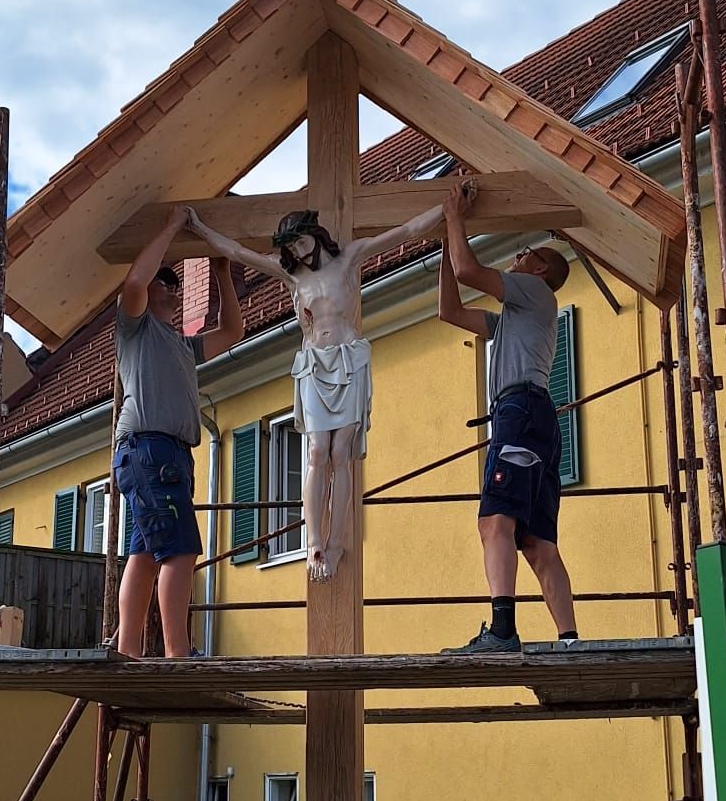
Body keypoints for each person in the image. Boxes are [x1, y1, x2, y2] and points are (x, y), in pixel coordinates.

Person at [185, 194, 447, 580]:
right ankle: (314, 541)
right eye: (291, 247)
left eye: (301, 242)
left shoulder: (349, 259)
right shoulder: (291, 274)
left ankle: (337, 540)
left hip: (347, 361)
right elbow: (238, 251)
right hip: (313, 364)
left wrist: (446, 208)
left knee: (342, 455)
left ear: (316, 234)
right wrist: (198, 227)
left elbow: (406, 231)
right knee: (316, 453)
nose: (298, 251)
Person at [437, 180, 577, 652]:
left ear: (538, 268)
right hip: (537, 418)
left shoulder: (534, 292)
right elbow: (450, 309)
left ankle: (502, 630)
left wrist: (455, 217)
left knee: (494, 522)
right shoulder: (516, 319)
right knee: (538, 543)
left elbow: (468, 269)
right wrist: (445, 237)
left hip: (518, 412)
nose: (516, 259)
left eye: (523, 254)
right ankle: (569, 639)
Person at [113, 205, 244, 657]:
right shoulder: (135, 327)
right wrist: (172, 226)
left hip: (163, 457)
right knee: (182, 551)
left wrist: (223, 271)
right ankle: (178, 654)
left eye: (176, 284)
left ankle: (128, 651)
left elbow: (231, 330)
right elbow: (133, 283)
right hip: (150, 451)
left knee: (147, 556)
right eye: (165, 283)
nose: (173, 290)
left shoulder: (182, 345)